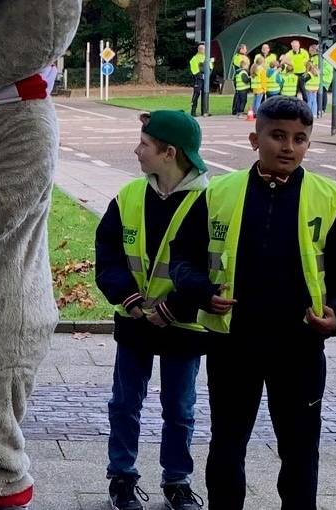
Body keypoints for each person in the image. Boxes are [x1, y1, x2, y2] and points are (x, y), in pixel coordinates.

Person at [170, 96, 336, 510]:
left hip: (299, 346)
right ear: (254, 138)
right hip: (233, 345)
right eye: (278, 136)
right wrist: (201, 290)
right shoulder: (218, 194)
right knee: (227, 444)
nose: (289, 147)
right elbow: (182, 258)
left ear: (309, 145)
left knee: (299, 451)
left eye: (300, 139)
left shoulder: (328, 198)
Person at [96, 111, 208, 510]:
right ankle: (122, 478)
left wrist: (173, 308)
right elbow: (107, 256)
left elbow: (215, 266)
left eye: (144, 144)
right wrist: (129, 299)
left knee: (179, 409)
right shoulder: (128, 198)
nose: (137, 150)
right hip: (135, 322)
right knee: (124, 404)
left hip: (184, 324)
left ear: (169, 152)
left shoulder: (209, 200)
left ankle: (177, 481)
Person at [189, 44, 214, 117]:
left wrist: (208, 74)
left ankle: (204, 111)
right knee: (196, 94)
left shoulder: (206, 57)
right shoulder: (195, 58)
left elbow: (211, 67)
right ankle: (193, 111)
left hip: (205, 78)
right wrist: (200, 75)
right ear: (199, 50)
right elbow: (194, 69)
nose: (204, 51)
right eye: (203, 49)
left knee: (205, 93)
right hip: (198, 79)